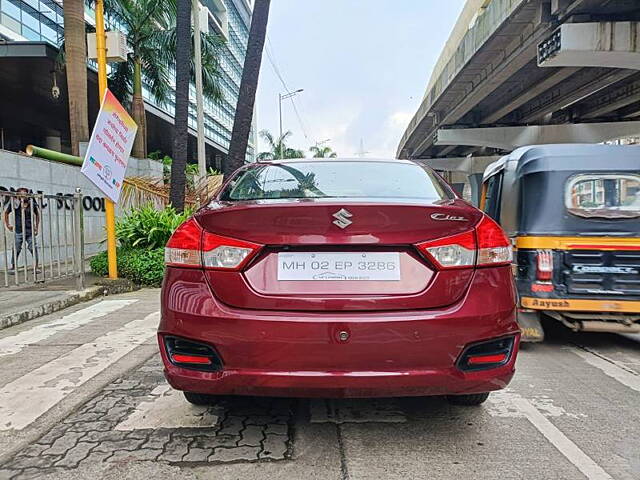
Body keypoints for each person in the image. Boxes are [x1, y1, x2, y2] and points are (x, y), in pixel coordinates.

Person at [3, 187, 40, 273]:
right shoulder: (15, 203)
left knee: (33, 248)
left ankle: (36, 267)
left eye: (25, 193)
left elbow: (37, 215)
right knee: (16, 249)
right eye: (21, 194)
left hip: (30, 231)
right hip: (19, 230)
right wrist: (8, 225)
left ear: (27, 195)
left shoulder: (32, 204)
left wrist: (36, 227)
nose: (23, 195)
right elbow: (6, 213)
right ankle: (13, 267)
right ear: (18, 195)